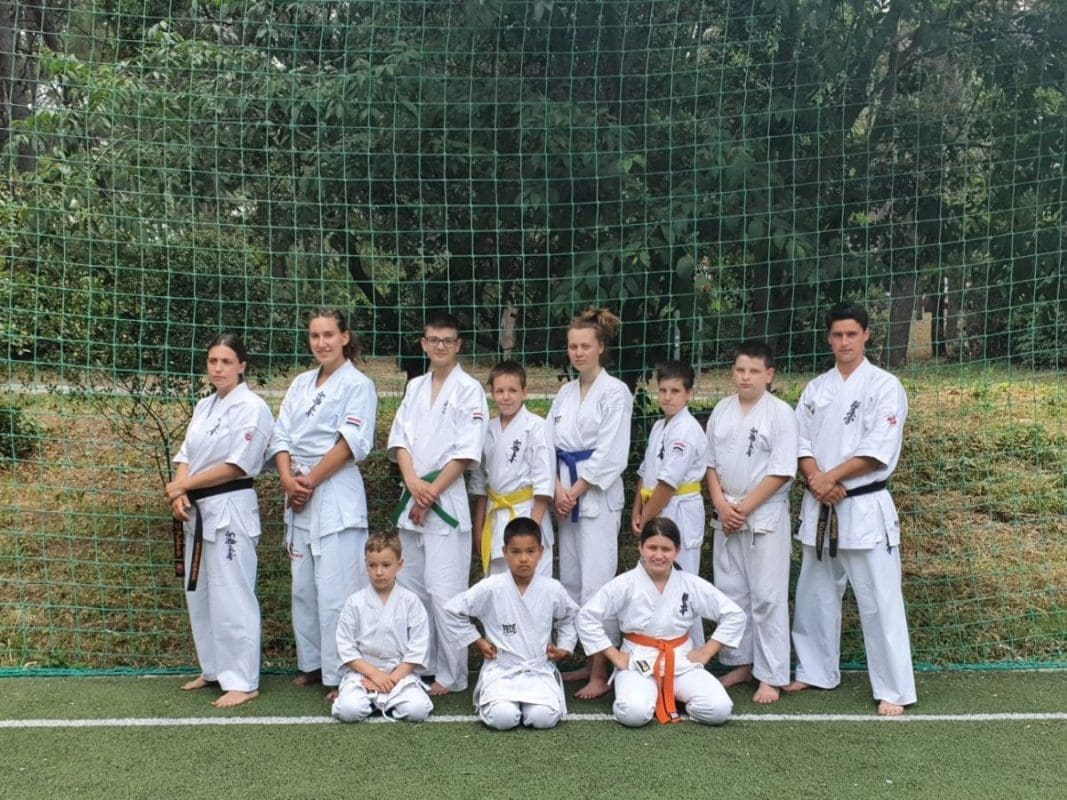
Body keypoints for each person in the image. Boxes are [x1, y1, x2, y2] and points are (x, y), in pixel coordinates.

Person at [783, 303, 916, 716]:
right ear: (829, 338)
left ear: (866, 335)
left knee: (879, 600)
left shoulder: (885, 385)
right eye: (838, 335)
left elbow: (878, 448)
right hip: (821, 503)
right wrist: (816, 479)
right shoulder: (816, 388)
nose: (844, 342)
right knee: (815, 593)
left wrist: (832, 478)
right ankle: (815, 670)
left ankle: (893, 688)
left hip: (864, 503)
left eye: (852, 334)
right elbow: (799, 441)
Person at [269, 308, 378, 700]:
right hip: (298, 489)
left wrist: (310, 481)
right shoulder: (301, 383)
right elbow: (280, 436)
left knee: (337, 589)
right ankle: (314, 663)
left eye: (329, 335)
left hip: (333, 492)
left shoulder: (359, 385)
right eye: (315, 336)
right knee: (304, 587)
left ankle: (344, 670)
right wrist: (288, 480)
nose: (322, 343)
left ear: (345, 337)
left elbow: (350, 443)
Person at [165, 333, 274, 708]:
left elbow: (238, 465)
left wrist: (184, 486)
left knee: (233, 594)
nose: (218, 368)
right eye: (213, 361)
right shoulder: (203, 406)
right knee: (200, 593)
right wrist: (179, 491)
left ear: (242, 366)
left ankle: (243, 680)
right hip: (197, 509)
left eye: (226, 361)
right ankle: (213, 669)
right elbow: (186, 455)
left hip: (231, 508)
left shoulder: (253, 407)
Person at [387, 312, 488, 696]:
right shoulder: (415, 387)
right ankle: (421, 663)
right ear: (424, 343)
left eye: (448, 340)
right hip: (412, 495)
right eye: (434, 339)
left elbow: (466, 451)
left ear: (458, 344)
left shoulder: (469, 390)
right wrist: (413, 483)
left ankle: (452, 673)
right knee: (412, 589)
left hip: (445, 499)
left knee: (445, 592)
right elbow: (400, 441)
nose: (440, 346)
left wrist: (429, 493)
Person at [577, 518, 746, 727]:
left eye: (666, 549)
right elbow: (586, 617)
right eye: (652, 548)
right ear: (641, 547)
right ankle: (652, 694)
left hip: (681, 662)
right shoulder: (625, 583)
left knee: (719, 709)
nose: (658, 555)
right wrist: (615, 656)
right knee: (633, 713)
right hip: (637, 662)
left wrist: (706, 652)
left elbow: (735, 615)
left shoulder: (690, 584)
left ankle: (672, 695)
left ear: (677, 551)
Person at [545, 307, 633, 699]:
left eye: (585, 346)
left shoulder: (615, 392)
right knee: (572, 582)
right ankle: (585, 658)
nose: (578, 353)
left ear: (601, 348)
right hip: (565, 495)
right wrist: (556, 488)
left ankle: (601, 670)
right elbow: (546, 443)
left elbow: (612, 453)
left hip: (595, 496)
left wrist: (576, 490)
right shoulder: (565, 393)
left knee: (598, 584)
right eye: (573, 347)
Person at [705, 341, 798, 704]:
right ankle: (741, 662)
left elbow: (782, 470)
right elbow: (709, 464)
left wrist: (742, 509)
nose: (745, 377)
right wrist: (719, 503)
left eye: (754, 371)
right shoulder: (722, 409)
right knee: (732, 593)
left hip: (763, 515)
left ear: (769, 375)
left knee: (767, 596)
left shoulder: (781, 414)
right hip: (726, 512)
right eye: (740, 370)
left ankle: (771, 674)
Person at [443, 517, 580, 730]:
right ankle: (503, 704)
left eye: (530, 551)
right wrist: (478, 641)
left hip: (537, 670)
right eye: (515, 552)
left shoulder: (551, 588)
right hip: (502, 669)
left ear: (541, 552)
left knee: (543, 718)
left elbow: (571, 616)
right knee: (503, 718)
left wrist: (564, 647)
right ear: (504, 552)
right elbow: (452, 610)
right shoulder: (491, 587)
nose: (523, 559)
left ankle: (533, 707)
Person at [631, 360, 708, 646]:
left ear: (689, 394)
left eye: (675, 391)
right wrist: (637, 510)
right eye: (663, 390)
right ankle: (661, 648)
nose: (667, 397)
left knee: (683, 582)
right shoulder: (658, 426)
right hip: (655, 507)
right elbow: (646, 473)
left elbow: (668, 483)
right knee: (656, 580)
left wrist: (646, 520)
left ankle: (694, 653)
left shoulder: (686, 429)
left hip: (679, 508)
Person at [331, 532, 434, 723]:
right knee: (348, 711)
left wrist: (391, 679)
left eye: (386, 565)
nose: (379, 572)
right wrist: (375, 674)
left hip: (399, 672)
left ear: (399, 565)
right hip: (363, 672)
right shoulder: (354, 602)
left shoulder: (411, 601)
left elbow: (417, 648)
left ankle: (383, 699)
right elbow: (346, 647)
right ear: (366, 565)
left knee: (417, 711)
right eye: (372, 565)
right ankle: (369, 700)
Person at [470, 361, 555, 578]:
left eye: (513, 390)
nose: (506, 397)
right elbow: (480, 487)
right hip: (495, 515)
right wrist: (478, 528)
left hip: (527, 512)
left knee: (533, 585)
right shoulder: (487, 429)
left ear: (524, 392)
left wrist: (531, 532)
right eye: (500, 391)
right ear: (492, 393)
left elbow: (544, 485)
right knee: (499, 585)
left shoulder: (536, 426)